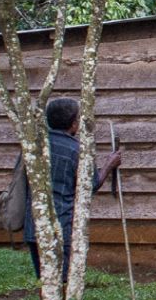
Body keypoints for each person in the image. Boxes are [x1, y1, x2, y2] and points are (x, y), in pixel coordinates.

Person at [22, 97, 124, 282]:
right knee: (62, 280)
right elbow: (90, 186)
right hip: (62, 225)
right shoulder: (76, 150)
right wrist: (109, 165)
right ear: (73, 123)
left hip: (34, 224)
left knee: (45, 280)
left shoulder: (34, 145)